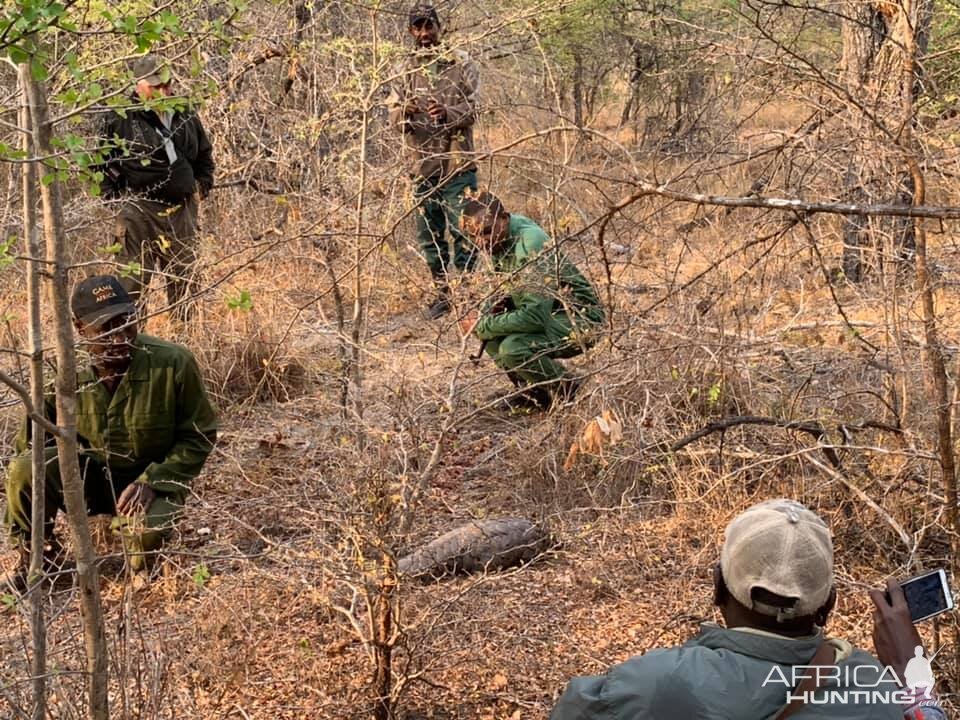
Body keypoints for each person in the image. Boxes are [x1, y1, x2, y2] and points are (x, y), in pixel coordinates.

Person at [550, 499, 946, 720]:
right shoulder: (875, 692)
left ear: (718, 588)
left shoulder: (651, 684)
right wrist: (915, 681)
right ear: (828, 605)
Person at [3, 275, 218, 586]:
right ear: (79, 328)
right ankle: (37, 559)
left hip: (150, 481)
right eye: (107, 329)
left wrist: (154, 480)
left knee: (145, 545)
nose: (121, 339)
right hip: (89, 479)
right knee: (26, 468)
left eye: (128, 323)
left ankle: (144, 562)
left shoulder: (173, 363)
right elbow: (29, 451)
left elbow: (198, 436)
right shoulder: (61, 375)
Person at [458, 192, 604, 410]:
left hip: (580, 318)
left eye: (486, 232)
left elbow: (535, 317)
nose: (481, 242)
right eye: (473, 236)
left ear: (504, 218)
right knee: (491, 332)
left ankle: (570, 389)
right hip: (549, 313)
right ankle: (535, 394)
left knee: (511, 347)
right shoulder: (500, 239)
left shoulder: (530, 243)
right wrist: (483, 314)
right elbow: (499, 290)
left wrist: (482, 324)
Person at [98, 53, 215, 320]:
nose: (163, 91)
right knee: (132, 286)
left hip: (182, 210)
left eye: (166, 84)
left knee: (185, 282)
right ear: (138, 85)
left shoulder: (184, 111)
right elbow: (101, 164)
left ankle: (185, 347)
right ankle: (133, 349)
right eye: (155, 86)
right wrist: (115, 201)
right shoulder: (119, 117)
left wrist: (201, 185)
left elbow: (204, 155)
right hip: (138, 211)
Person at [386, 3, 481, 319]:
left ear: (440, 27)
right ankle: (443, 294)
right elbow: (394, 119)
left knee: (466, 230)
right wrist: (405, 113)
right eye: (418, 28)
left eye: (429, 27)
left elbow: (475, 109)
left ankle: (466, 294)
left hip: (457, 164)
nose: (425, 34)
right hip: (422, 164)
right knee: (430, 234)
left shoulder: (461, 62)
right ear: (411, 31)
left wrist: (449, 114)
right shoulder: (404, 68)